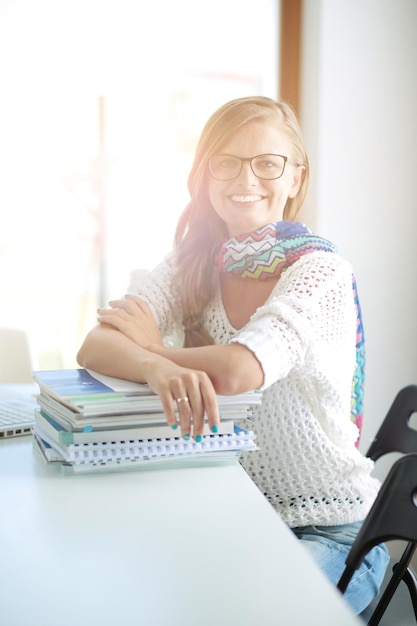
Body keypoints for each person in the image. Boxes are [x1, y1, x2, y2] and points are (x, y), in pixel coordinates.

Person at [77, 95, 389, 614]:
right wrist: (155, 366)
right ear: (205, 176)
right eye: (227, 162)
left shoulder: (320, 271)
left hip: (330, 531)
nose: (246, 179)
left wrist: (153, 346)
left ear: (295, 179)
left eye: (268, 163)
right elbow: (96, 344)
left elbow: (241, 370)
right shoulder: (192, 263)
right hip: (231, 511)